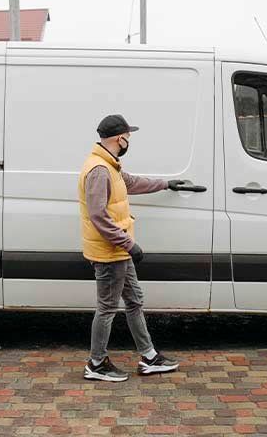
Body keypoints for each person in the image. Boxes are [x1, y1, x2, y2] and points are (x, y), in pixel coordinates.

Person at [78, 114, 185, 382]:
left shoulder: (109, 165)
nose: (129, 141)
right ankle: (96, 363)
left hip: (117, 251)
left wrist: (166, 184)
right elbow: (98, 215)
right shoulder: (99, 170)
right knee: (107, 308)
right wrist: (129, 244)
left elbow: (131, 182)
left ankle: (149, 357)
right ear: (119, 138)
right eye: (128, 136)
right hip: (110, 252)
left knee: (134, 300)